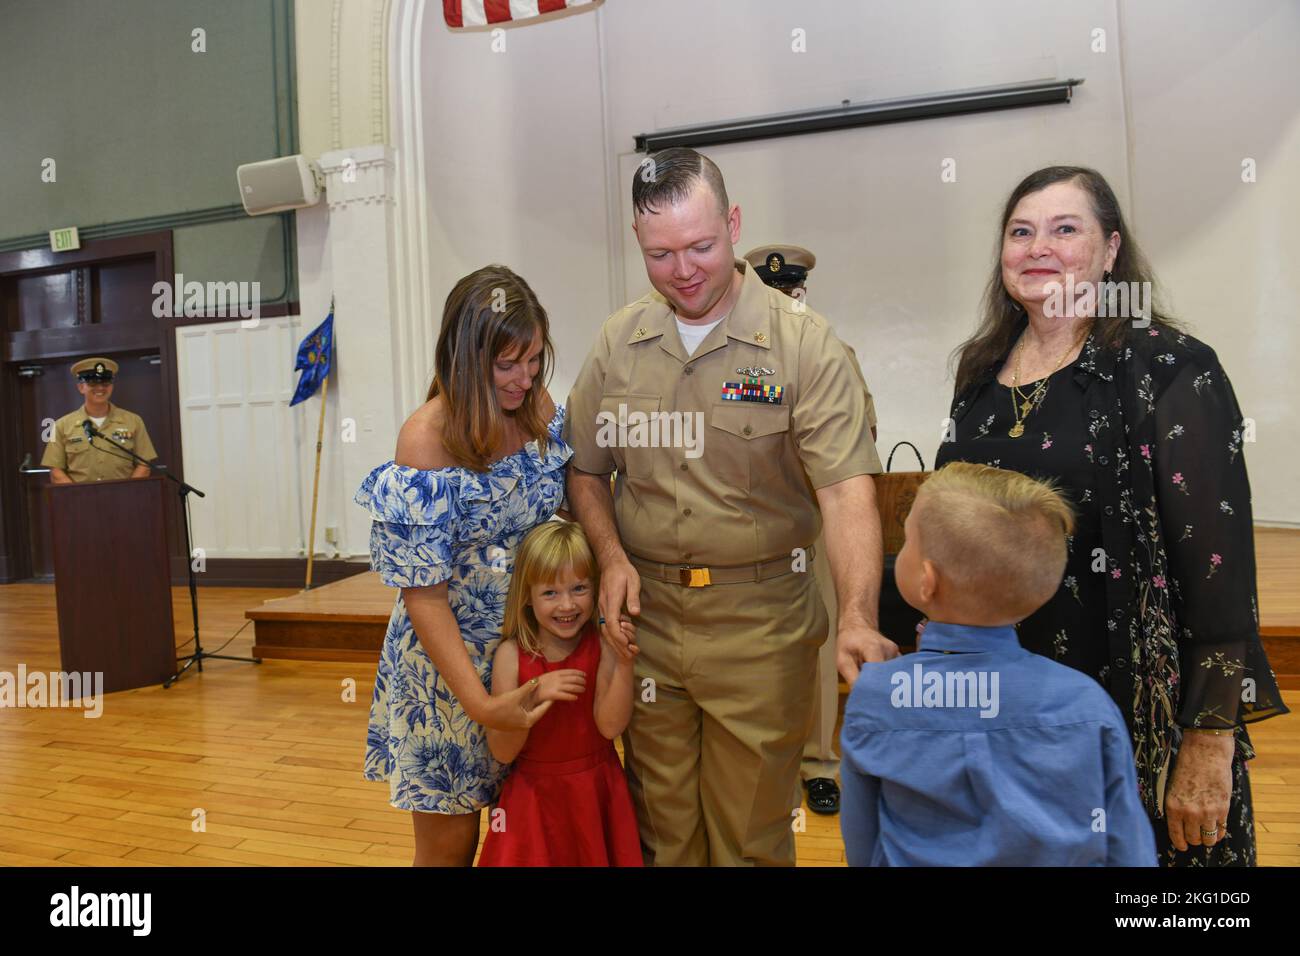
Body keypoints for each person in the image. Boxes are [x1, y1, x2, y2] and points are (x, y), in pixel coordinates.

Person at [937, 166, 1288, 866]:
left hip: (1131, 715)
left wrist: (1209, 740)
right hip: (1001, 706)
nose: (1039, 246)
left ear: (1110, 250)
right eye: (1021, 231)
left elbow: (1219, 575)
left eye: (1066, 229)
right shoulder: (980, 372)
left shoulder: (1170, 369)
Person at [565, 147, 893, 866]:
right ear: (636, 241)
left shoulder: (803, 346)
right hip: (643, 623)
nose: (683, 270)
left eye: (701, 247)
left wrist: (861, 617)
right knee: (664, 837)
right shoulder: (619, 343)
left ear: (734, 224)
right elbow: (585, 473)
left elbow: (845, 491)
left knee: (748, 840)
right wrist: (612, 557)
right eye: (660, 254)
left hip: (761, 626)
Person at [354, 265, 580, 866]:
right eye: (507, 364)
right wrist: (481, 705)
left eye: (534, 360)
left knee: (524, 835)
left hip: (528, 650)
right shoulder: (425, 439)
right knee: (450, 847)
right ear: (464, 355)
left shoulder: (535, 410)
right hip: (446, 672)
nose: (525, 377)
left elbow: (571, 510)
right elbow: (422, 595)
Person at [840, 461, 1158, 866]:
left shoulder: (878, 695)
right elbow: (1127, 844)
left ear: (926, 580)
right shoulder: (1086, 704)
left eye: (905, 540)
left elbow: (863, 839)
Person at [744, 242, 881, 816]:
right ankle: (757, 759)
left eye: (792, 293)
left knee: (821, 646)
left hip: (817, 523)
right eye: (773, 295)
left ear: (803, 294)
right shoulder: (739, 361)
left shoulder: (833, 352)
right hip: (752, 526)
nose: (785, 303)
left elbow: (863, 432)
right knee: (752, 648)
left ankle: (819, 764)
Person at [478, 520, 642, 866]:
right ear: (527, 596)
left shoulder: (602, 645)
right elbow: (503, 751)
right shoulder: (511, 655)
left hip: (596, 792)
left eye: (579, 588)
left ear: (597, 588)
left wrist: (624, 663)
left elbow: (611, 727)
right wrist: (533, 694)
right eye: (550, 593)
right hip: (531, 801)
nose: (567, 605)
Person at [42, 356, 157, 483]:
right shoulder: (60, 426)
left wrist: (125, 493)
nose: (100, 388)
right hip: (79, 500)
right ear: (81, 387)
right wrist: (78, 496)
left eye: (105, 383)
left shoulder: (134, 421)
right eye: (92, 383)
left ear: (111, 387)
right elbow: (55, 471)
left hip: (124, 499)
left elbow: (144, 465)